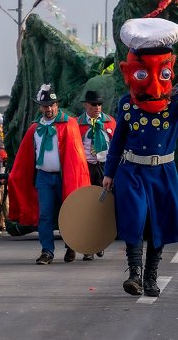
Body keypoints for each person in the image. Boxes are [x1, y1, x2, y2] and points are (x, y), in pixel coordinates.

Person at [102, 18, 178, 297]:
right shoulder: (126, 103)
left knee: (157, 225)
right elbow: (117, 140)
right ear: (130, 72)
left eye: (161, 74)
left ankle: (151, 276)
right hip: (132, 172)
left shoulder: (176, 103)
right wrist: (109, 172)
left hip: (162, 173)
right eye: (142, 75)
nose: (153, 85)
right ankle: (135, 274)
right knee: (133, 220)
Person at [8, 83, 90, 265]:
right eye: (45, 106)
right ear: (40, 107)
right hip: (43, 176)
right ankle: (47, 251)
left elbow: (76, 156)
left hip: (64, 176)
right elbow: (26, 156)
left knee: (68, 213)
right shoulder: (35, 128)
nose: (49, 109)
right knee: (44, 214)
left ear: (57, 105)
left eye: (52, 105)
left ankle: (71, 244)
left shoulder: (69, 124)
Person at [77, 90, 116, 260]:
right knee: (87, 208)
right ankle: (88, 247)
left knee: (103, 207)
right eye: (93, 104)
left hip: (105, 168)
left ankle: (100, 242)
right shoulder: (78, 124)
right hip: (86, 168)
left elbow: (117, 145)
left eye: (99, 104)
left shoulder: (110, 122)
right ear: (86, 105)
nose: (97, 107)